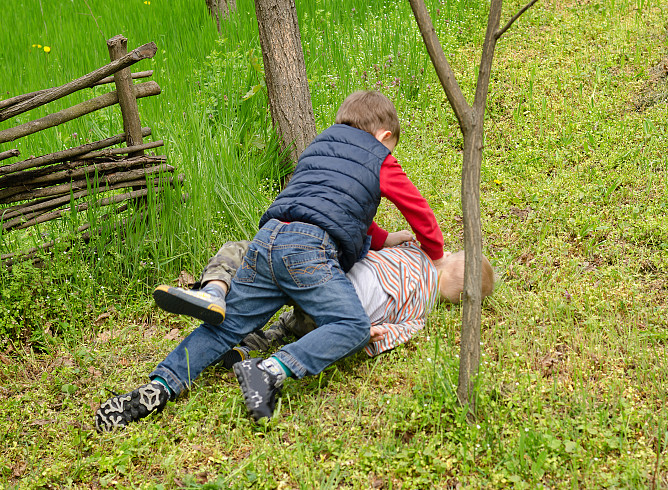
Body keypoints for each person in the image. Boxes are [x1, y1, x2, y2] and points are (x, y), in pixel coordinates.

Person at [95, 90, 446, 431]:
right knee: (351, 326)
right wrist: (435, 255)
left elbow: (334, 204)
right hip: (310, 251)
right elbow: (419, 212)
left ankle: (159, 387)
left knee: (226, 327)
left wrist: (384, 239)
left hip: (268, 240)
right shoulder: (378, 156)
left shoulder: (318, 147)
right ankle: (270, 371)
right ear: (384, 136)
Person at [156, 240, 495, 368]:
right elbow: (388, 334)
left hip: (320, 279)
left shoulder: (412, 252)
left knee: (245, 252)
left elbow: (366, 248)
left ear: (447, 255)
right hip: (338, 317)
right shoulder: (420, 312)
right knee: (294, 325)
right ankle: (249, 352)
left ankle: (214, 290)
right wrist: (370, 332)